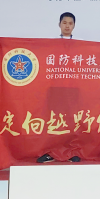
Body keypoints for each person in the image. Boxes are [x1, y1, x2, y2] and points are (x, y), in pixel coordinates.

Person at [37, 12, 81, 164]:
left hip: (72, 89)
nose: (67, 26)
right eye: (64, 23)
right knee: (53, 120)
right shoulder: (51, 44)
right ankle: (50, 152)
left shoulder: (80, 47)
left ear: (74, 26)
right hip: (55, 88)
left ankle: (71, 152)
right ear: (59, 24)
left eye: (70, 23)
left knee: (71, 121)